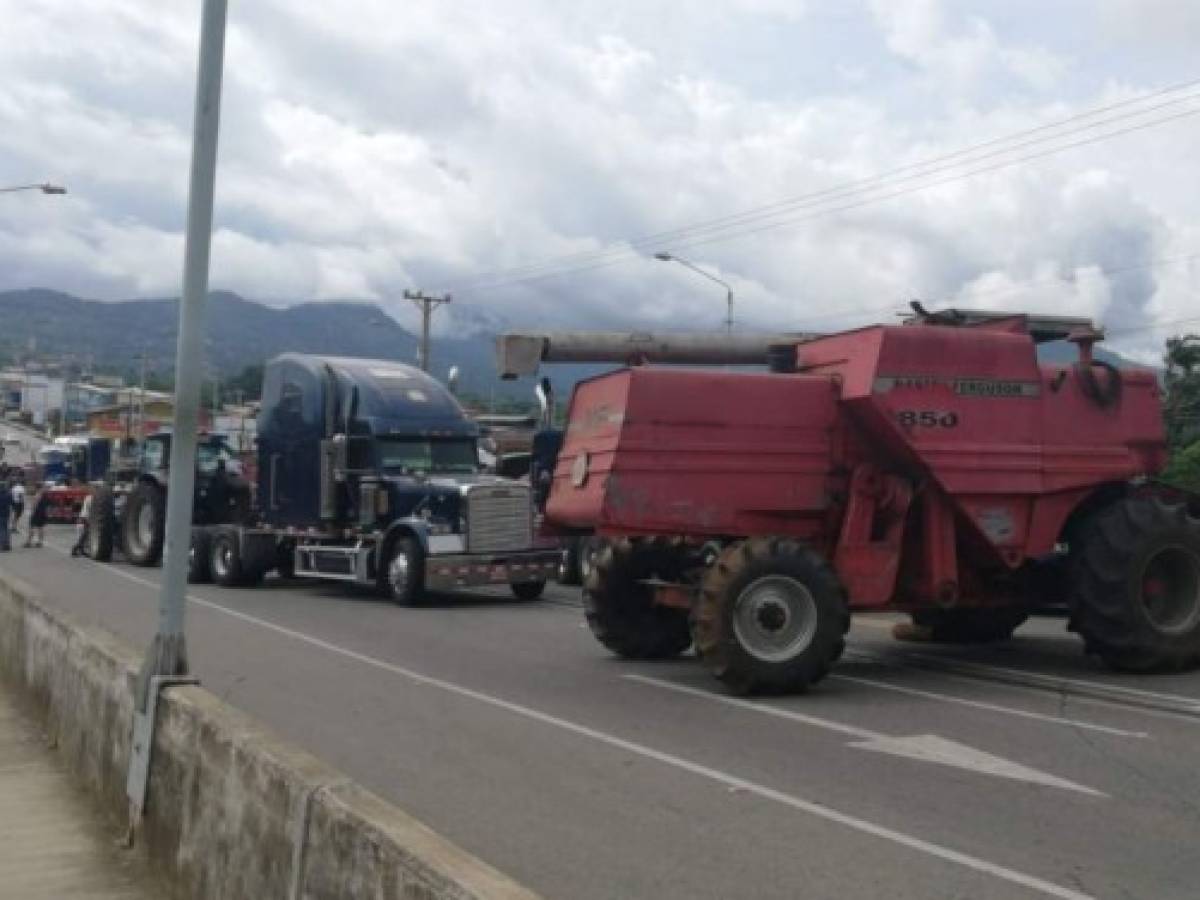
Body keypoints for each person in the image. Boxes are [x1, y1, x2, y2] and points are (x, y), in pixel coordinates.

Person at [71, 490, 94, 557]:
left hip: (83, 518)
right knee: (83, 537)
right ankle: (74, 549)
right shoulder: (90, 498)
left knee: (83, 537)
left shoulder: (88, 497)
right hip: (84, 519)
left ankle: (81, 551)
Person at [0, 479, 10, 552]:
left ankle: (2, 544)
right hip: (6, 513)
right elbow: (12, 503)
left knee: (2, 529)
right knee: (6, 529)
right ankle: (7, 544)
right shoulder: (8, 494)